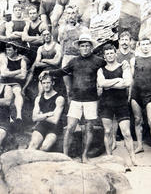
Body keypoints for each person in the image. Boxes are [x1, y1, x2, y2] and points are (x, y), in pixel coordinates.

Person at [42, 33, 105, 162]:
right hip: (76, 99)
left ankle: (84, 155)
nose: (85, 48)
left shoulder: (98, 61)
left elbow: (110, 67)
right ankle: (65, 156)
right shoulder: (74, 61)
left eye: (87, 46)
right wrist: (48, 72)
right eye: (83, 46)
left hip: (91, 100)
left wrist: (124, 66)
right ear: (79, 48)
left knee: (89, 128)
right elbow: (62, 71)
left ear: (91, 47)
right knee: (70, 127)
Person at [97, 44, 137, 165]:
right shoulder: (101, 70)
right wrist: (118, 80)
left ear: (115, 54)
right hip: (106, 104)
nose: (110, 55)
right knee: (108, 131)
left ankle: (133, 158)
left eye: (111, 53)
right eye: (107, 54)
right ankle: (110, 158)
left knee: (126, 133)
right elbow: (101, 83)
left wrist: (108, 84)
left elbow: (127, 83)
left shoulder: (123, 66)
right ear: (104, 56)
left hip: (121, 103)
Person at [27, 73, 64, 151]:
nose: (46, 85)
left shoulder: (59, 98)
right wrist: (48, 114)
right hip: (42, 125)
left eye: (48, 83)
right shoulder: (38, 98)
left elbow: (55, 120)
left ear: (52, 83)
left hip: (55, 127)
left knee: (44, 148)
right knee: (32, 146)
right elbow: (34, 118)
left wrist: (41, 116)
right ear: (41, 84)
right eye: (44, 83)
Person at [111, 30, 134, 151]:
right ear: (119, 41)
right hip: (116, 87)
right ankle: (114, 140)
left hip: (130, 87)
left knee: (129, 113)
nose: (124, 42)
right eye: (122, 40)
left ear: (130, 42)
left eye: (127, 40)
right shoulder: (116, 54)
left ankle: (128, 140)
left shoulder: (133, 55)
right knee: (114, 115)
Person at [23, 29, 62, 97]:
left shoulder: (57, 46)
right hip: (44, 72)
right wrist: (51, 61)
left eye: (48, 34)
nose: (46, 36)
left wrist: (44, 60)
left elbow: (57, 62)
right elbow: (37, 64)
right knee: (40, 92)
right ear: (42, 37)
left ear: (51, 35)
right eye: (44, 35)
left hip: (55, 70)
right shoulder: (40, 48)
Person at [0, 43, 28, 124]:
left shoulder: (22, 60)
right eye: (7, 50)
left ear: (15, 50)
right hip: (5, 83)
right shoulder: (5, 59)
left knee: (17, 92)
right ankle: (10, 118)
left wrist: (10, 73)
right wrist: (18, 71)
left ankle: (19, 116)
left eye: (10, 50)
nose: (7, 52)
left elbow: (23, 76)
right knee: (7, 96)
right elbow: (3, 74)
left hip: (16, 83)